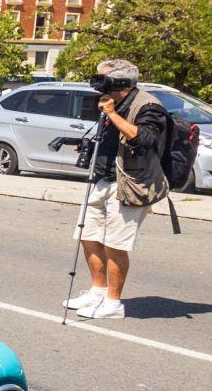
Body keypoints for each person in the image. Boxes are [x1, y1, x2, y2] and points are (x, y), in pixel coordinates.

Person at [65, 58, 169, 321]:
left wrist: (112, 114)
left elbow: (144, 138)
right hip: (101, 180)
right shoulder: (109, 102)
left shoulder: (148, 105)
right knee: (89, 237)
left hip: (130, 184)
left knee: (114, 245)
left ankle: (114, 303)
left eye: (103, 79)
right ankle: (98, 291)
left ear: (120, 81)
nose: (97, 84)